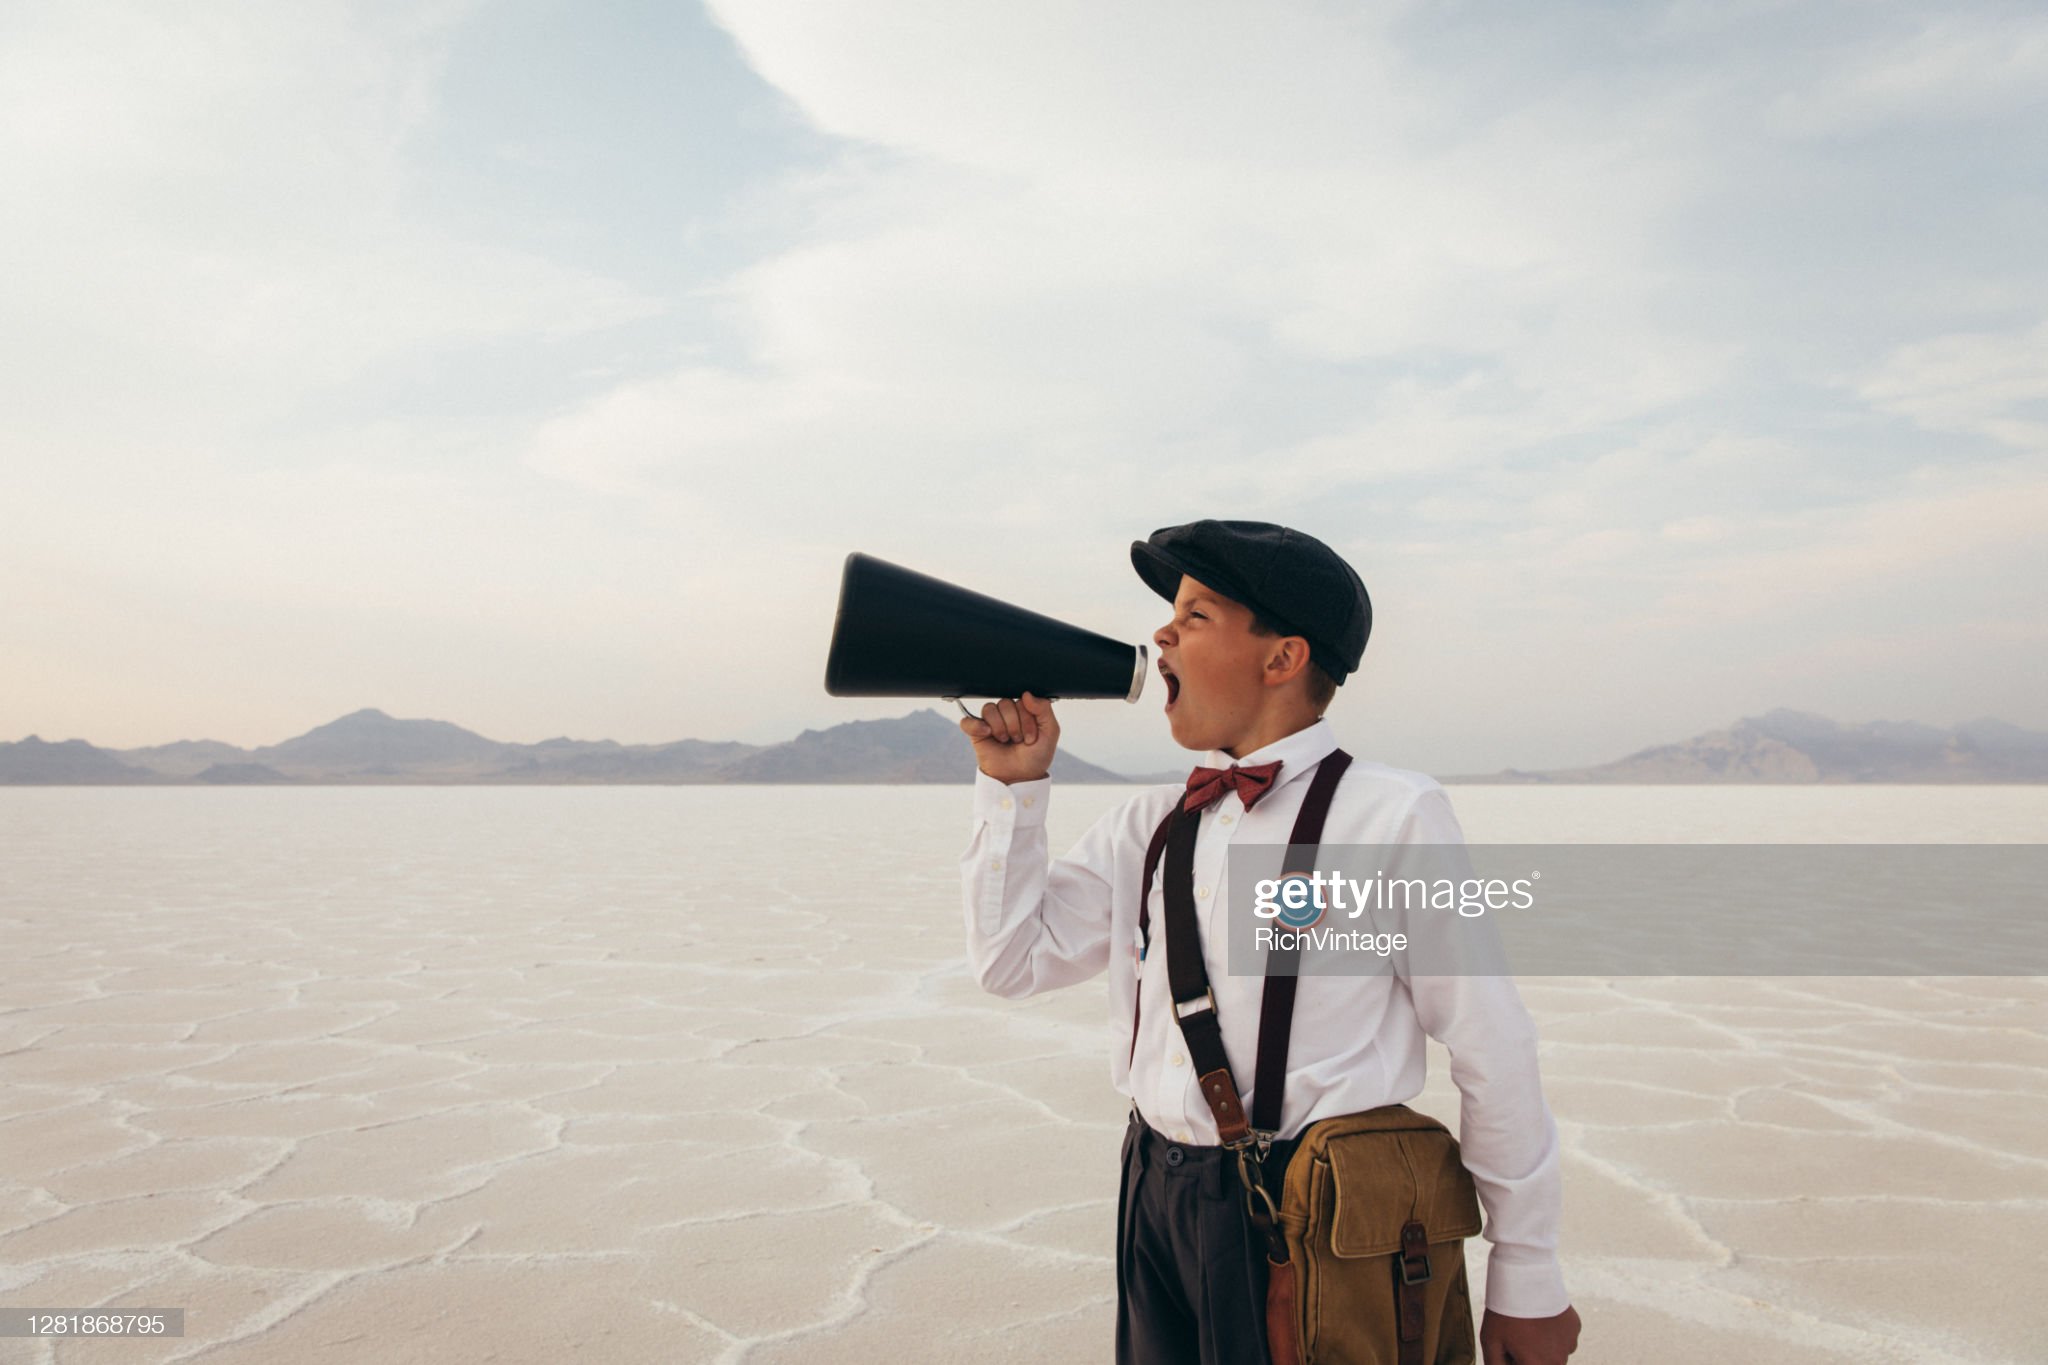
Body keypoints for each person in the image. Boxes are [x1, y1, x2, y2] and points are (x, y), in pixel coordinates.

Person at [957, 519, 1582, 1365]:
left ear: (1283, 657)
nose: (1161, 635)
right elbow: (1009, 961)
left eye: (1196, 615)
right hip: (1155, 1196)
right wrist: (1012, 791)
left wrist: (1529, 1273)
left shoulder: (1391, 815)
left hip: (1314, 1216)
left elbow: (1491, 1043)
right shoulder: (1148, 822)